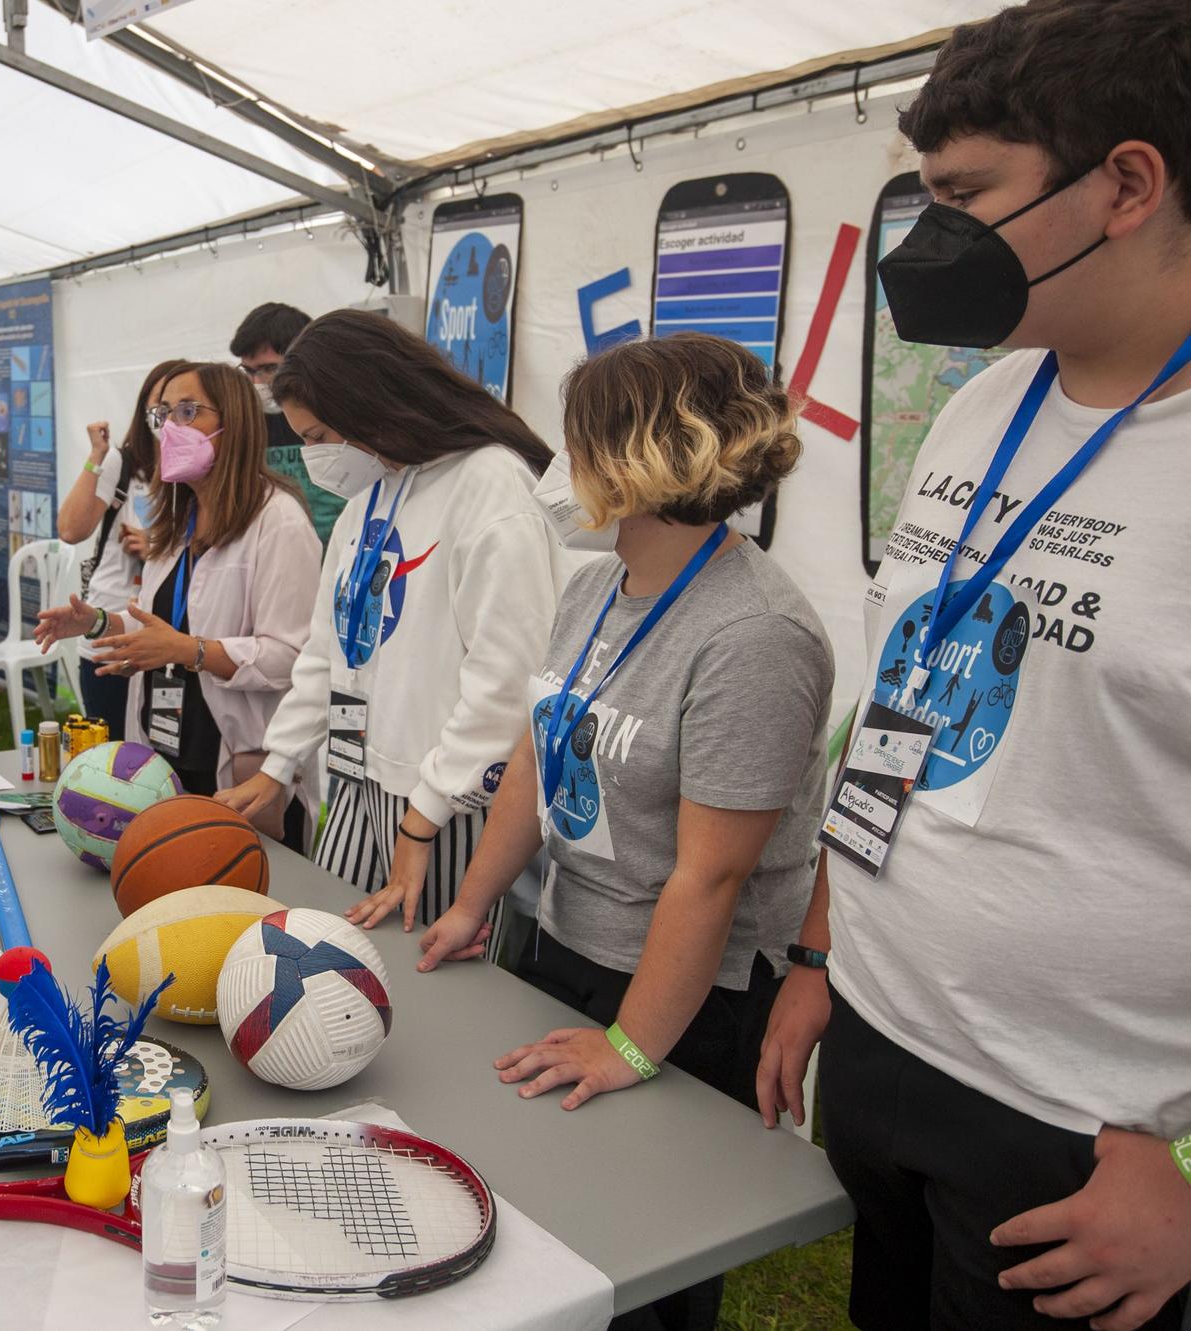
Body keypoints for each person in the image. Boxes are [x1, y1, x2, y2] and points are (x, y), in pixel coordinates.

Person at [755, 4, 1191, 1328]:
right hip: (887, 1033)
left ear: (1127, 183)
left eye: (962, 195)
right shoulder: (986, 402)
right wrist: (825, 950)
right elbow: (901, 696)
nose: (929, 239)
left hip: (1086, 1126)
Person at [419, 333, 830, 1331]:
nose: (558, 471)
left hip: (684, 997)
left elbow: (709, 877)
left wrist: (632, 1047)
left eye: (573, 443)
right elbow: (533, 756)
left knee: (642, 1268)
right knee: (547, 1234)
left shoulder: (753, 635)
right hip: (569, 943)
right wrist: (473, 902)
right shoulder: (593, 586)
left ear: (641, 455)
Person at [213, 310, 567, 932]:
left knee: (425, 986)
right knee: (330, 953)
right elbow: (326, 651)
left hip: (449, 804)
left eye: (321, 434)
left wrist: (424, 815)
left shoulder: (490, 483)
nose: (314, 456)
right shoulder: (371, 492)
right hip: (354, 779)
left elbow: (507, 684)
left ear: (372, 403)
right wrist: (279, 764)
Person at [36, 363, 321, 850]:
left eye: (188, 412)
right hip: (167, 754)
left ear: (234, 421)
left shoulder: (279, 522)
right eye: (163, 414)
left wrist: (190, 651)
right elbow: (164, 624)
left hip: (241, 765)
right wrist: (99, 621)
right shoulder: (180, 516)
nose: (171, 427)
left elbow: (293, 657)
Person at [54, 359, 183, 736]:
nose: (168, 417)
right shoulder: (124, 463)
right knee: (110, 757)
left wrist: (158, 547)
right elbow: (70, 529)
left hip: (172, 637)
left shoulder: (202, 473)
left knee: (164, 757)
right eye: (159, 406)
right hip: (111, 626)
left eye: (183, 407)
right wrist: (96, 457)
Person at [231, 301, 343, 543]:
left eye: (268, 368)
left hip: (343, 553)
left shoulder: (336, 413)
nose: (256, 382)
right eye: (248, 371)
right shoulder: (246, 422)